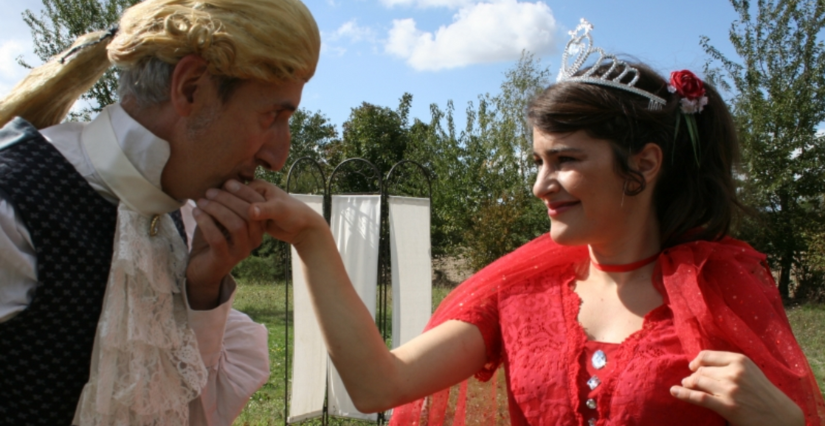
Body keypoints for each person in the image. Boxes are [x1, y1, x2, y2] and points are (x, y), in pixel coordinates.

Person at [228, 19, 825, 425]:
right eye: (539, 160)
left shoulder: (720, 289)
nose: (540, 185)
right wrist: (311, 237)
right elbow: (375, 385)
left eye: (565, 160)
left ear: (642, 165)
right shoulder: (519, 293)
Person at [0, 0, 320, 424]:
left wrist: (203, 295)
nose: (278, 157)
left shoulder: (180, 216)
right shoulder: (14, 205)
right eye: (271, 116)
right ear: (191, 87)